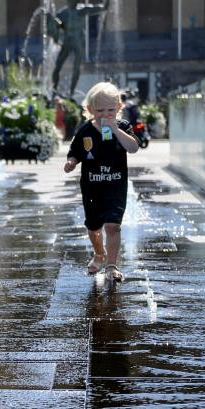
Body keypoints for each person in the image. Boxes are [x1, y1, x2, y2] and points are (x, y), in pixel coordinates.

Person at [62, 81, 139, 282]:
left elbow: (133, 148)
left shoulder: (122, 127)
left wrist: (116, 130)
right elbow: (76, 152)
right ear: (90, 109)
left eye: (111, 110)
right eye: (100, 110)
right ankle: (99, 253)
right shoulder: (85, 131)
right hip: (92, 187)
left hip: (115, 185)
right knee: (94, 227)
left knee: (113, 226)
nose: (106, 114)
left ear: (119, 107)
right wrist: (71, 162)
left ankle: (112, 265)